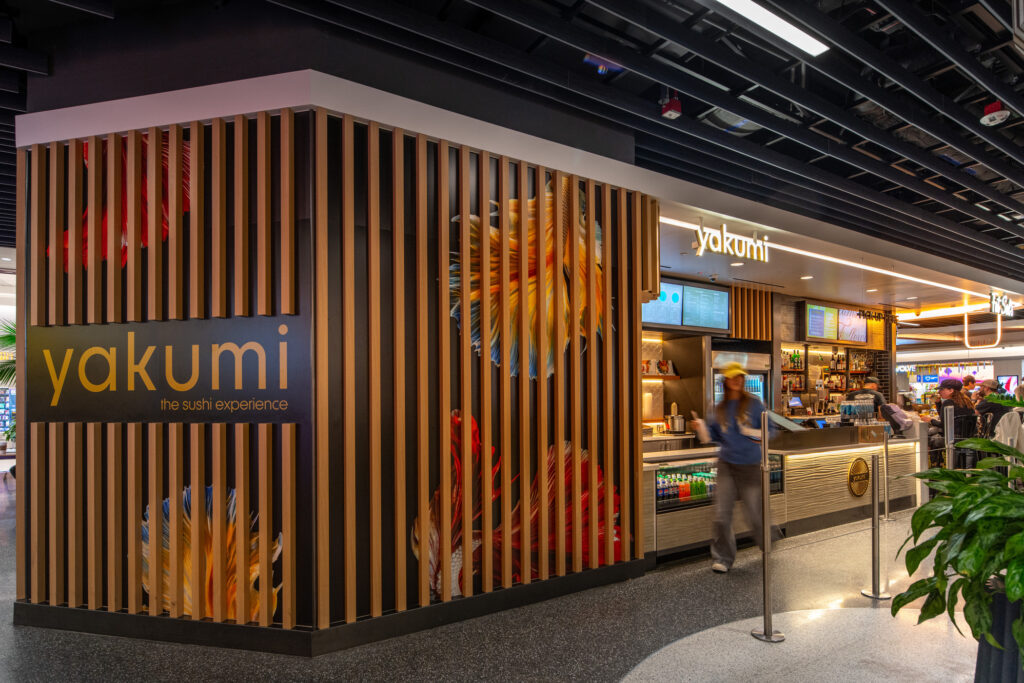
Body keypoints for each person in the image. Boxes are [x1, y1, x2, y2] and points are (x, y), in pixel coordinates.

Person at [690, 362, 774, 574]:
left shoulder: (755, 404)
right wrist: (700, 428)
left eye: (741, 376)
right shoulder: (717, 409)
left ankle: (768, 543)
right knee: (721, 514)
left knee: (755, 513)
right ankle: (723, 558)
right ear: (725, 380)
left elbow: (770, 432)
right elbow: (713, 437)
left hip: (751, 465)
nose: (737, 379)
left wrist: (751, 432)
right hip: (727, 464)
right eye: (733, 376)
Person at [924, 378, 977, 468]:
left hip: (953, 438)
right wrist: (938, 403)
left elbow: (944, 425)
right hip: (968, 437)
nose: (940, 392)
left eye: (942, 389)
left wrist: (930, 420)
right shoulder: (966, 401)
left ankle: (934, 466)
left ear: (951, 390)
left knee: (930, 438)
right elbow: (945, 419)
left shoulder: (948, 402)